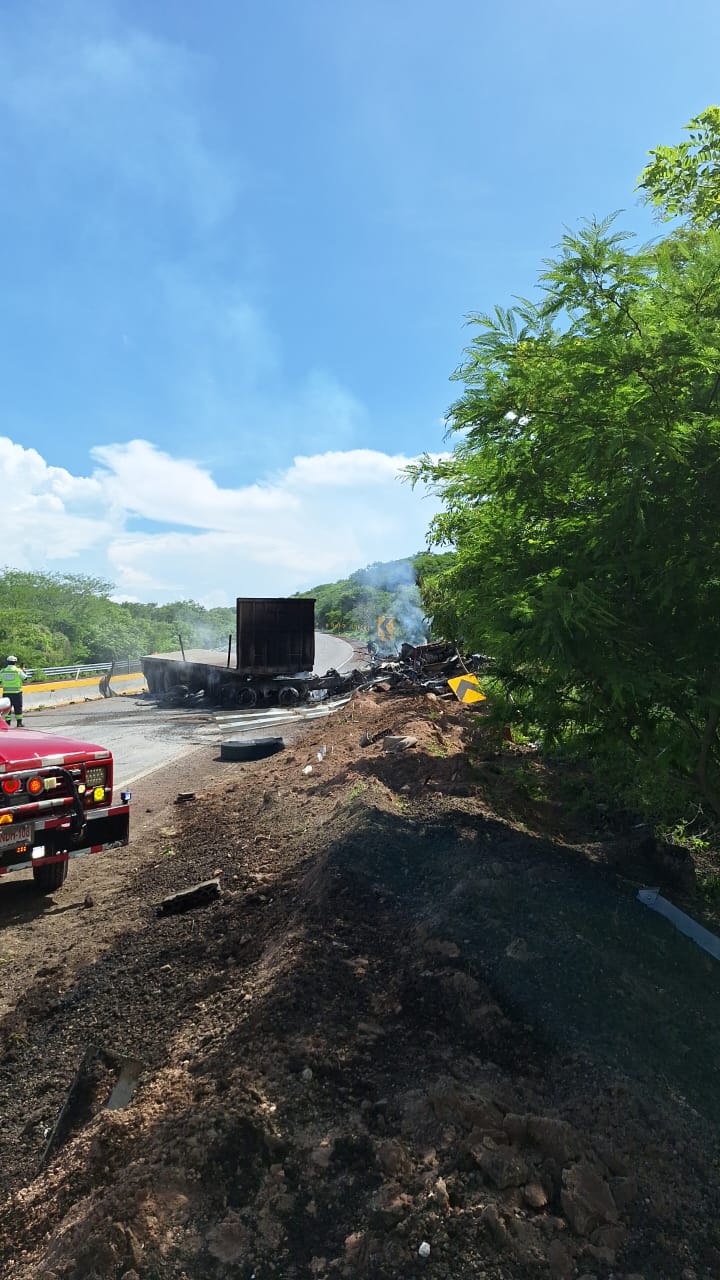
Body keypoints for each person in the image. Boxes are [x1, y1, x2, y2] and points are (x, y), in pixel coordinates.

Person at [0, 655, 28, 727]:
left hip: (6, 693)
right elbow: (25, 678)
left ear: (8, 662)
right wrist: (24, 670)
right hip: (17, 693)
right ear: (15, 662)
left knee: (7, 709)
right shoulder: (18, 671)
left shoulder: (2, 671)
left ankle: (7, 723)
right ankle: (19, 723)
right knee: (18, 707)